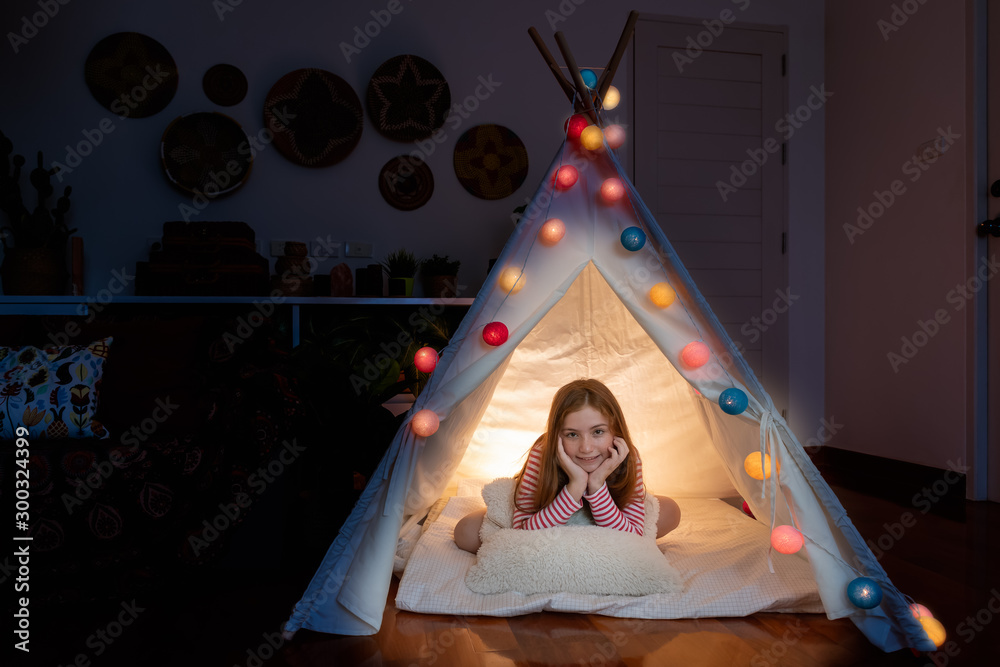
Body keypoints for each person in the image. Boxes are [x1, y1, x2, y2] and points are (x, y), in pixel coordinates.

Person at [454, 378, 681, 553]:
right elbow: (523, 531)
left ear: (616, 430)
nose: (586, 447)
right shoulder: (543, 453)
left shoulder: (627, 456)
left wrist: (597, 483)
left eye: (598, 432)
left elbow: (633, 536)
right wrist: (576, 485)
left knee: (670, 510)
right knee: (465, 532)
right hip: (547, 510)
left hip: (609, 511)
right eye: (572, 434)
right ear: (557, 436)